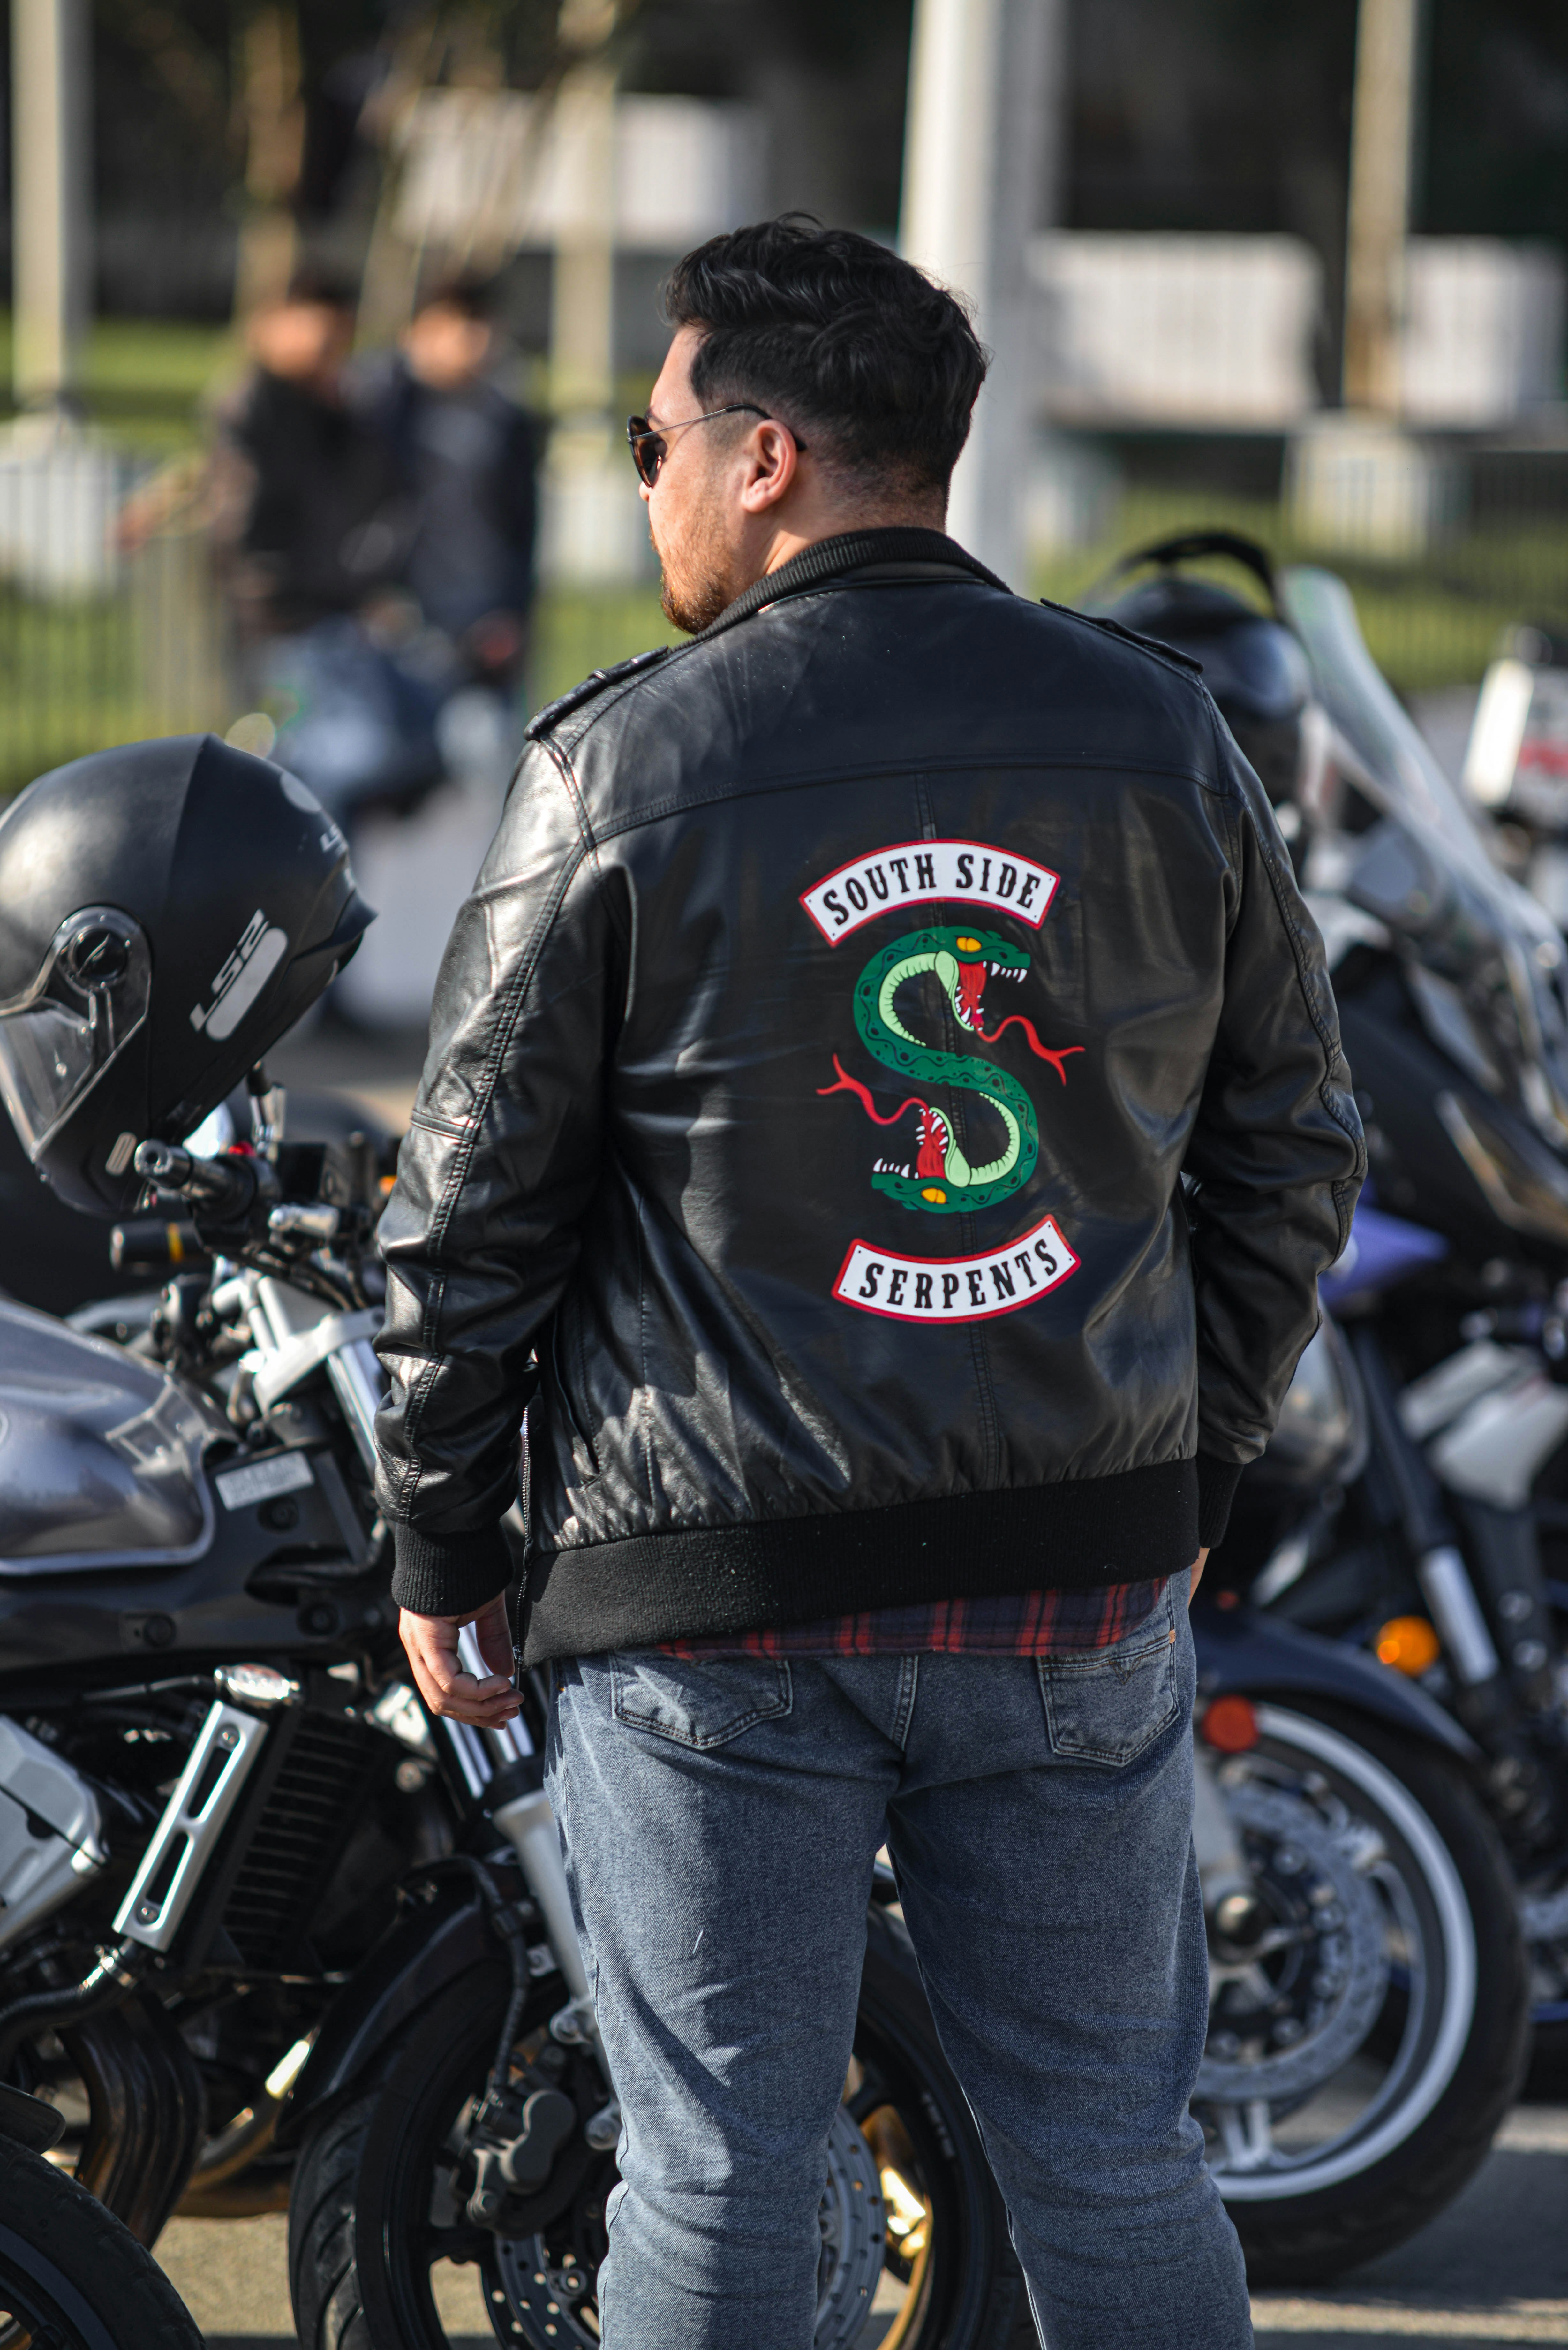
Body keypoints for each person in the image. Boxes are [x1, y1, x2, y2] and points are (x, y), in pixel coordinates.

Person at [378, 217, 1364, 2349]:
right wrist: (1175, 1475)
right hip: (1070, 1582)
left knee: (724, 2171)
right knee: (1111, 2155)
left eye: (650, 435)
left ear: (762, 456)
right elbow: (1294, 1144)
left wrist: (441, 1530)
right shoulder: (1165, 733)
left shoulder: (618, 763)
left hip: (703, 1597)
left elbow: (469, 1210)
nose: (633, 477)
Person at [365, 275, 540, 706]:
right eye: (458, 326)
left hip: (481, 617)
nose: (474, 341)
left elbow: (524, 525)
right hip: (395, 614)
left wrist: (512, 614)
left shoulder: (507, 420)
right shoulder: (378, 408)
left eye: (482, 326)